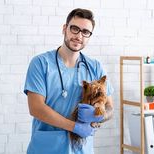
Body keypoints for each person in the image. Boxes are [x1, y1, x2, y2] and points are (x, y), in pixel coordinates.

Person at [24, 8, 114, 154]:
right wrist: (75, 127)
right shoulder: (41, 63)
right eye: (75, 29)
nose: (79, 36)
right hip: (46, 148)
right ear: (65, 29)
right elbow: (36, 108)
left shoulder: (95, 67)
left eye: (85, 32)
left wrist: (99, 115)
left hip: (82, 148)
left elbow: (110, 107)